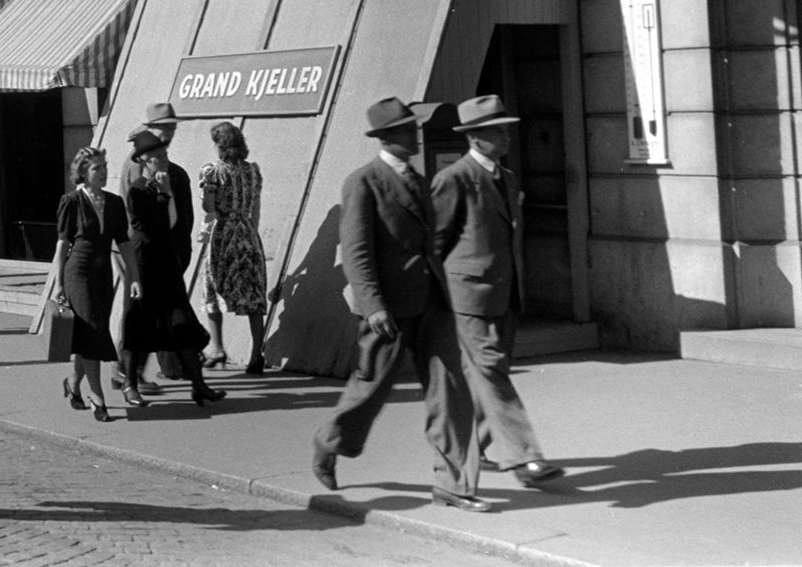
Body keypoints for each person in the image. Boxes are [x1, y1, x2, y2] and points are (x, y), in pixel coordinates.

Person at [309, 97, 483, 511]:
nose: (415, 135)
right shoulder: (363, 182)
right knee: (371, 389)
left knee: (450, 390)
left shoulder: (421, 180)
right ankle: (328, 441)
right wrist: (373, 306)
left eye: (414, 128)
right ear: (387, 137)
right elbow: (356, 251)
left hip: (432, 303)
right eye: (407, 130)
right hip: (388, 307)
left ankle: (451, 482)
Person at [434, 95, 565, 490]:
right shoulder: (452, 179)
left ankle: (460, 451)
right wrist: (442, 301)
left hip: (506, 294)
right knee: (491, 371)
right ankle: (527, 458)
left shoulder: (507, 179)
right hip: (468, 297)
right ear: (474, 138)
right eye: (497, 131)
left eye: (506, 129)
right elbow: (434, 245)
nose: (507, 137)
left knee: (490, 375)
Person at [118, 120, 221, 408]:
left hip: (168, 261)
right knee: (138, 325)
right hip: (144, 264)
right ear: (144, 162)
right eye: (157, 158)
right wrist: (161, 194)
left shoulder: (175, 178)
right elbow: (146, 225)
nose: (163, 161)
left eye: (165, 155)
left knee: (182, 321)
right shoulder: (138, 189)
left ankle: (199, 386)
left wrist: (181, 253)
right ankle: (129, 383)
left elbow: (182, 220)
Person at [50, 147, 139, 424]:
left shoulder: (113, 203)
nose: (103, 172)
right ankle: (98, 399)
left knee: (90, 335)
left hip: (102, 275)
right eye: (96, 168)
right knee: (94, 331)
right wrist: (58, 285)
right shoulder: (72, 201)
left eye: (103, 166)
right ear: (83, 173)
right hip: (77, 272)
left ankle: (73, 383)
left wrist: (134, 277)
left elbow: (124, 243)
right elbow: (62, 246)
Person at [199, 121, 269, 375]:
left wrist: (208, 197)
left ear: (221, 145)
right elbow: (256, 209)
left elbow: (209, 208)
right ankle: (255, 354)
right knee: (252, 291)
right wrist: (251, 234)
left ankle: (217, 347)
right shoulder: (253, 171)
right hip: (248, 233)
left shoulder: (214, 172)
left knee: (211, 285)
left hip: (225, 232)